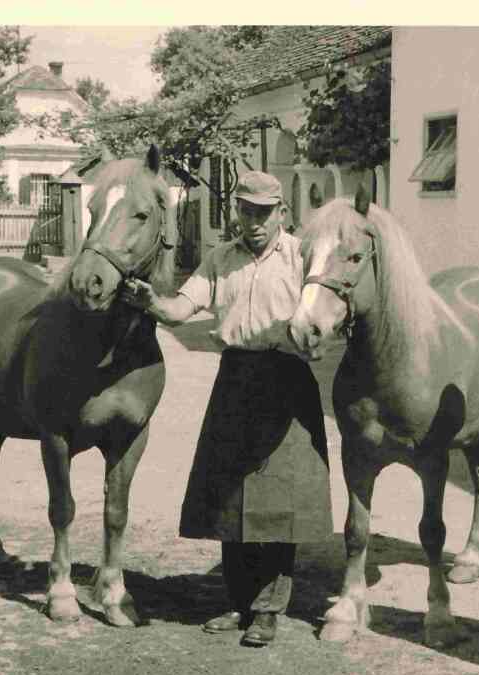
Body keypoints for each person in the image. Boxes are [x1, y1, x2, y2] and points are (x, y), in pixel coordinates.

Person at [120, 170, 331, 647]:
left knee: (280, 500)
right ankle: (238, 604)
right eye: (245, 210)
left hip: (286, 379)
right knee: (231, 497)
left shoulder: (302, 257)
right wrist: (150, 299)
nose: (252, 221)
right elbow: (180, 310)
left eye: (262, 212)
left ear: (281, 212)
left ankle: (268, 610)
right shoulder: (221, 258)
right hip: (235, 379)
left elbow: (321, 319)